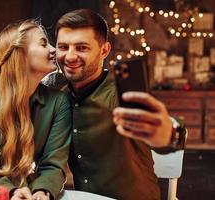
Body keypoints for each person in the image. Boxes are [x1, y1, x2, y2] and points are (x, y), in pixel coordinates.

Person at [49, 9, 186, 200]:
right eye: (63, 47)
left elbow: (165, 130)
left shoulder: (121, 94)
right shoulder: (57, 94)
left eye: (81, 48)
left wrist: (167, 134)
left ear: (104, 50)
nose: (70, 57)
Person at [0, 20, 71, 200]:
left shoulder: (59, 102)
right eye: (44, 44)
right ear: (20, 54)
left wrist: (42, 191)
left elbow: (54, 164)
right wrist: (11, 192)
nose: (54, 50)